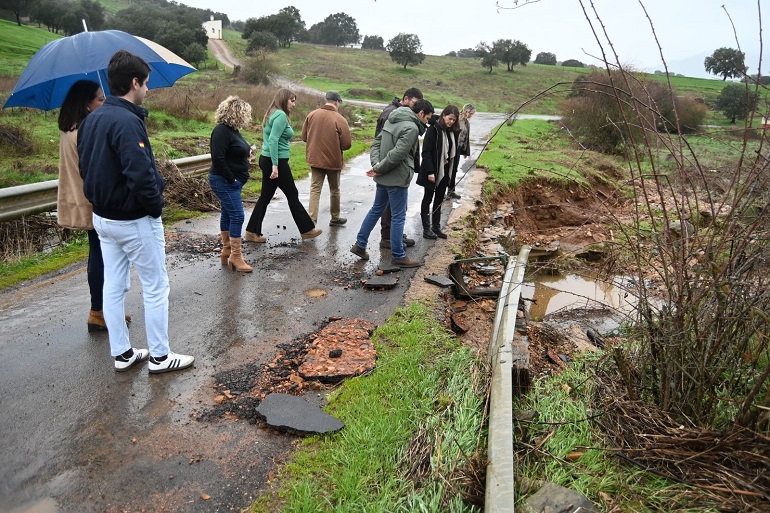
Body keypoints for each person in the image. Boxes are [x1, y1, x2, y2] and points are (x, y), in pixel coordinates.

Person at [78, 50, 194, 374]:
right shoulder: (128, 121)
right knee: (156, 285)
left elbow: (84, 168)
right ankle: (160, 356)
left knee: (113, 286)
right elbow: (141, 174)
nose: (147, 89)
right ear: (134, 82)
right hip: (133, 219)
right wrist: (155, 207)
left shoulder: (91, 120)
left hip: (102, 219)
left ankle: (123, 352)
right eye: (146, 83)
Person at [350, 99, 434, 268]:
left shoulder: (392, 118)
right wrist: (379, 168)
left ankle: (360, 245)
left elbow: (376, 144)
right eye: (427, 118)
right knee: (398, 216)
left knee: (376, 209)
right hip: (396, 177)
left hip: (384, 175)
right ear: (421, 114)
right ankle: (398, 255)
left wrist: (377, 165)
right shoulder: (411, 128)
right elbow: (398, 154)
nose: (427, 122)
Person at [57, 80, 111, 332]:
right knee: (103, 256)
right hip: (94, 200)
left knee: (98, 254)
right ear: (87, 104)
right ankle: (98, 311)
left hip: (80, 199)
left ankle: (100, 310)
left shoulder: (69, 128)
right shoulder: (86, 131)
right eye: (100, 99)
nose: (104, 102)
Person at [245, 88, 322, 243]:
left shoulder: (271, 112)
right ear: (283, 99)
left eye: (294, 101)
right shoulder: (280, 115)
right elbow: (273, 140)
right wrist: (275, 166)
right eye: (291, 100)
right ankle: (307, 229)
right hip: (276, 161)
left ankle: (251, 231)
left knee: (265, 196)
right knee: (292, 194)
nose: (293, 104)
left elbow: (270, 139)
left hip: (267, 158)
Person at [209, 96, 254, 272]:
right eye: (245, 114)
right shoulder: (221, 131)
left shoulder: (233, 131)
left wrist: (246, 153)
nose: (247, 118)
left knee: (228, 214)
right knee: (238, 216)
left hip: (231, 181)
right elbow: (217, 158)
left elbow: (233, 151)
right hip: (224, 181)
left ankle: (227, 250)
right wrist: (231, 179)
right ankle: (236, 256)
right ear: (236, 113)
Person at [375, 87, 423, 249]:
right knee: (389, 207)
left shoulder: (403, 113)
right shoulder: (392, 113)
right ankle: (388, 238)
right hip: (390, 166)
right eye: (415, 103)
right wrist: (380, 165)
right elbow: (381, 141)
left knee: (394, 207)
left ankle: (395, 235)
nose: (416, 108)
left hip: (395, 166)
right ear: (406, 98)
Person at [302, 91, 352, 226]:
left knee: (315, 189)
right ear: (336, 102)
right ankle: (335, 217)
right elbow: (347, 144)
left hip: (315, 159)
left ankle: (311, 220)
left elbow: (304, 137)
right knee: (334, 189)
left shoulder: (312, 115)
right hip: (333, 161)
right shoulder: (340, 119)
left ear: (327, 100)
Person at [418, 105, 459, 240]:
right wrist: (430, 172)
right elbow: (426, 152)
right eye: (449, 118)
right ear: (443, 115)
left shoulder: (451, 132)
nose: (451, 122)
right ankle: (426, 229)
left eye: (454, 120)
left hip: (444, 171)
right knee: (428, 199)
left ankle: (436, 227)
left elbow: (452, 154)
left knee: (439, 199)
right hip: (432, 171)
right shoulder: (433, 130)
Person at [448, 103, 476, 199]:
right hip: (451, 147)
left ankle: (451, 191)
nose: (471, 116)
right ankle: (444, 191)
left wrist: (464, 151)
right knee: (448, 169)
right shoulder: (456, 119)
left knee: (454, 169)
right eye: (471, 113)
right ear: (467, 111)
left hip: (458, 148)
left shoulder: (466, 122)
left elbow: (465, 137)